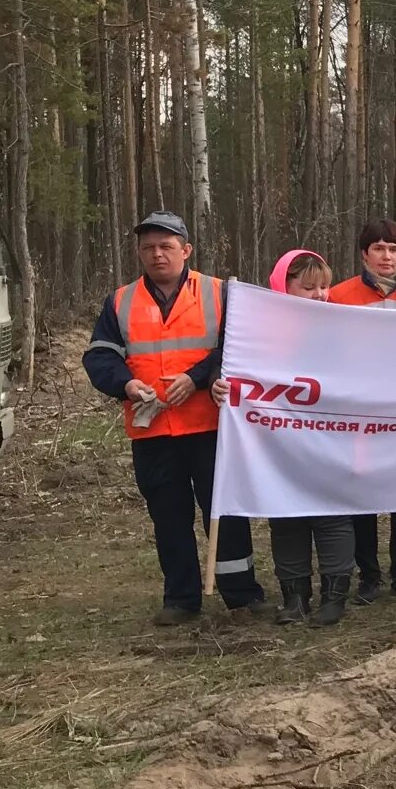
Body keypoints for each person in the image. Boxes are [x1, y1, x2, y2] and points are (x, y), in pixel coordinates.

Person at [82, 212, 268, 624]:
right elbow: (99, 356)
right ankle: (181, 599)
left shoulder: (220, 293)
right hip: (153, 430)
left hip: (212, 426)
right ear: (139, 253)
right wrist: (126, 384)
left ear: (185, 250)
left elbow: (239, 347)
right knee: (168, 517)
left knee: (225, 513)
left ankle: (242, 595)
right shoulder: (120, 301)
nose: (157, 254)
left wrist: (197, 378)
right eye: (148, 247)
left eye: (166, 246)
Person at [224, 251, 357, 627]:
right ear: (284, 286)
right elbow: (234, 372)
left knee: (331, 515)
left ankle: (335, 595)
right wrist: (221, 387)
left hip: (330, 438)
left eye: (325, 287)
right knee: (287, 518)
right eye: (309, 287)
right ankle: (294, 596)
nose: (320, 295)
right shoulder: (255, 331)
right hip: (277, 443)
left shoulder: (340, 329)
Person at [329, 219, 396, 601]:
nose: (386, 256)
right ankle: (369, 575)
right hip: (359, 412)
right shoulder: (339, 296)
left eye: (393, 249)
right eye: (378, 248)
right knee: (363, 495)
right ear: (364, 254)